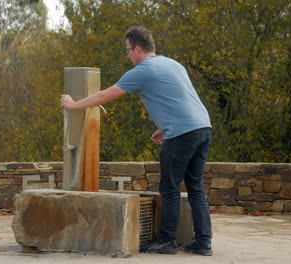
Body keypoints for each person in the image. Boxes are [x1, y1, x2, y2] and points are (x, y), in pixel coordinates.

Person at [60, 26, 213, 256]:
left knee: (169, 188)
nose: (128, 55)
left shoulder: (142, 71)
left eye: (128, 50)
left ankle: (166, 241)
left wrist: (73, 104)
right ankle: (203, 243)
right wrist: (164, 128)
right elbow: (179, 99)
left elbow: (105, 96)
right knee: (195, 187)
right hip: (203, 128)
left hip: (182, 133)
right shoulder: (173, 64)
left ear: (138, 48)